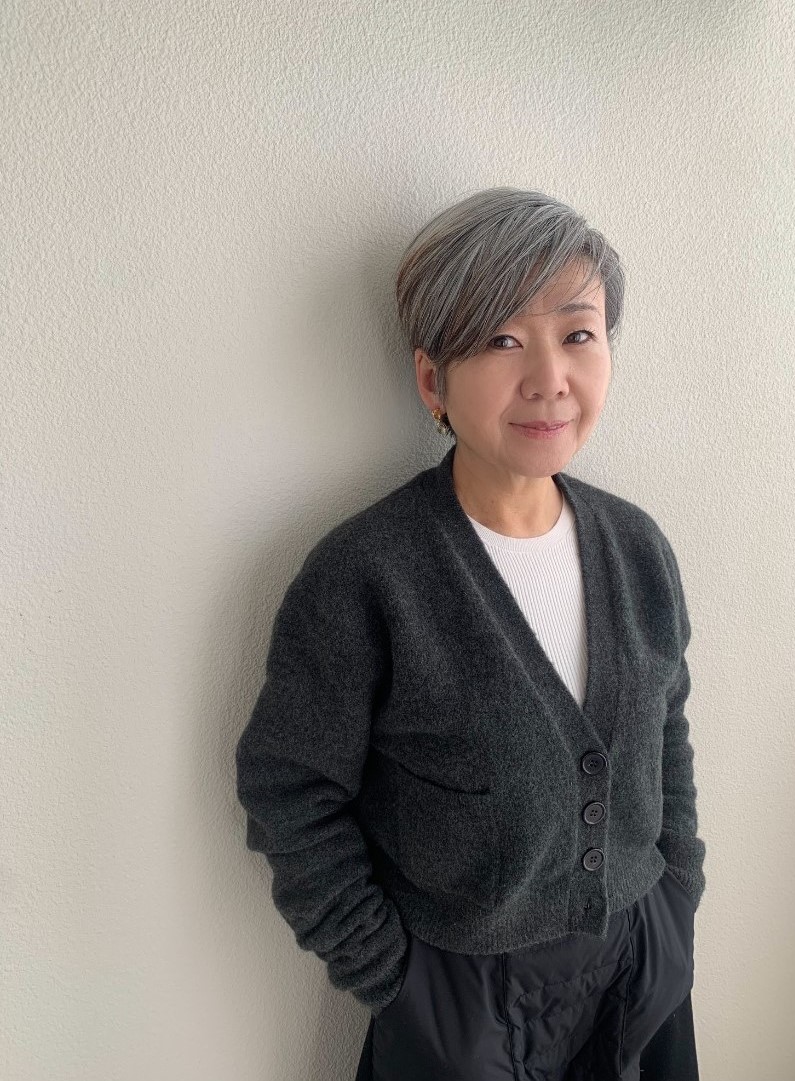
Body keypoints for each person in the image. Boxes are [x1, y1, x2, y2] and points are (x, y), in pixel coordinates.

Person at [235, 187, 707, 1080]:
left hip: (641, 977)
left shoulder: (638, 548)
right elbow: (287, 787)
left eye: (577, 334)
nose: (548, 378)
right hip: (460, 1012)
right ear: (431, 381)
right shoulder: (369, 574)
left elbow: (666, 732)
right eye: (500, 339)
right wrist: (395, 977)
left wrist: (676, 890)